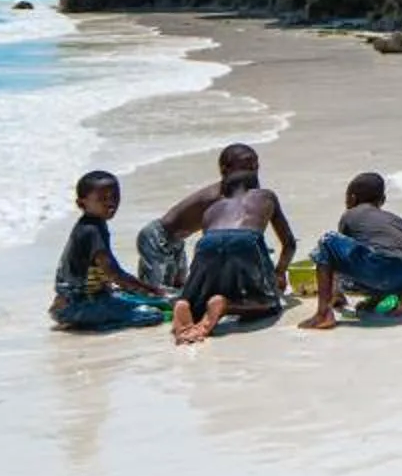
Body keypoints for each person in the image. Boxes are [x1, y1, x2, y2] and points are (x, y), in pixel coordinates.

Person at [171, 169, 291, 346]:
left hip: (208, 241)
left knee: (201, 298)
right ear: (255, 187)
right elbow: (289, 243)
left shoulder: (212, 209)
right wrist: (279, 273)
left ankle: (185, 304)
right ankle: (226, 306)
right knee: (270, 305)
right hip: (246, 239)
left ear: (224, 192)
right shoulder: (266, 196)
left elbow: (220, 257)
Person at [299, 173, 402, 328]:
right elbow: (395, 252)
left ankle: (323, 314)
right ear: (382, 200)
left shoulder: (351, 214)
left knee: (328, 242)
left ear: (352, 198)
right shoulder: (397, 220)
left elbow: (340, 259)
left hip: (379, 267)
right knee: (379, 262)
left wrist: (336, 293)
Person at [52, 171, 171, 331]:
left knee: (147, 301)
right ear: (82, 204)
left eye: (115, 197)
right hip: (80, 305)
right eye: (103, 199)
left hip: (75, 301)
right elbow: (113, 273)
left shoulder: (92, 225)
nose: (111, 203)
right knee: (153, 314)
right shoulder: (91, 231)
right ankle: (93, 324)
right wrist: (148, 289)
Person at [136, 142, 265, 289]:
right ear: (225, 170)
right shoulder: (220, 197)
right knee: (157, 291)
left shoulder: (244, 188)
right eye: (246, 168)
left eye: (255, 166)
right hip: (157, 238)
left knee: (177, 286)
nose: (252, 171)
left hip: (176, 241)